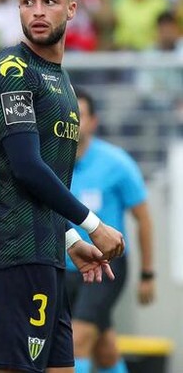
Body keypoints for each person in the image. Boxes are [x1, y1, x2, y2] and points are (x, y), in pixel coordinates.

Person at [0, 0, 126, 373]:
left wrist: (69, 240)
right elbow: (26, 167)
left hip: (48, 253)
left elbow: (41, 183)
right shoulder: (12, 70)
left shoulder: (61, 80)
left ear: (72, 9)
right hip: (15, 250)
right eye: (27, 2)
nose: (37, 11)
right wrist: (92, 225)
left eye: (49, 1)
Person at [67, 87, 155, 373]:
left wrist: (147, 274)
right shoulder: (50, 164)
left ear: (93, 122)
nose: (73, 121)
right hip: (64, 268)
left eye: (80, 115)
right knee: (105, 351)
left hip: (105, 268)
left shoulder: (116, 163)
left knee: (77, 342)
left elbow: (143, 219)